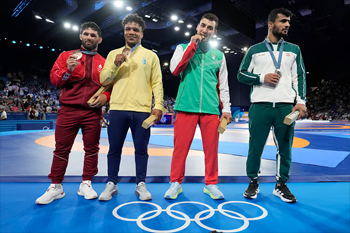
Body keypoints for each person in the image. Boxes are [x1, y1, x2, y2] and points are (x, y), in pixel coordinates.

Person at [35, 22, 111, 204]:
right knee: (61, 149)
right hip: (68, 110)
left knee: (92, 149)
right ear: (80, 36)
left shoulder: (104, 62)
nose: (89, 37)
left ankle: (86, 183)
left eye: (93, 35)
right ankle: (56, 186)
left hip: (92, 113)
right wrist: (67, 71)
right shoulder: (66, 56)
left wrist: (106, 97)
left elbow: (109, 85)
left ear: (99, 39)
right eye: (86, 34)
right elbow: (55, 80)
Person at [237, 8, 306, 203]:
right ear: (270, 24)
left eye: (288, 22)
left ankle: (281, 185)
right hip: (260, 106)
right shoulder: (254, 50)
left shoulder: (294, 50)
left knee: (285, 148)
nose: (287, 25)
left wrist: (301, 102)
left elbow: (299, 77)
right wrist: (261, 78)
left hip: (286, 107)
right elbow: (241, 74)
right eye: (283, 21)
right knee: (255, 147)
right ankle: (253, 181)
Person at [164, 13, 232, 200]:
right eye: (203, 25)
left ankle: (211, 184)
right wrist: (192, 47)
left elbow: (223, 85)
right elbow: (175, 69)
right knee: (180, 149)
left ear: (214, 32)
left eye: (210, 28)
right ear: (197, 27)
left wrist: (226, 108)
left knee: (211, 150)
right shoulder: (182, 48)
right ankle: (175, 183)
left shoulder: (219, 55)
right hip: (186, 106)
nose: (205, 30)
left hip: (210, 109)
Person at [98, 14, 164, 201]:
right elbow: (104, 80)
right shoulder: (113, 54)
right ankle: (111, 183)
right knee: (114, 149)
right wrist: (115, 65)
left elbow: (157, 83)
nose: (131, 32)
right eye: (128, 29)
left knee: (141, 150)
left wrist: (158, 105)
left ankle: (140, 184)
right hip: (118, 108)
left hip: (142, 111)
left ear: (142, 33)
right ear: (124, 32)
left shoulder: (150, 56)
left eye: (135, 30)